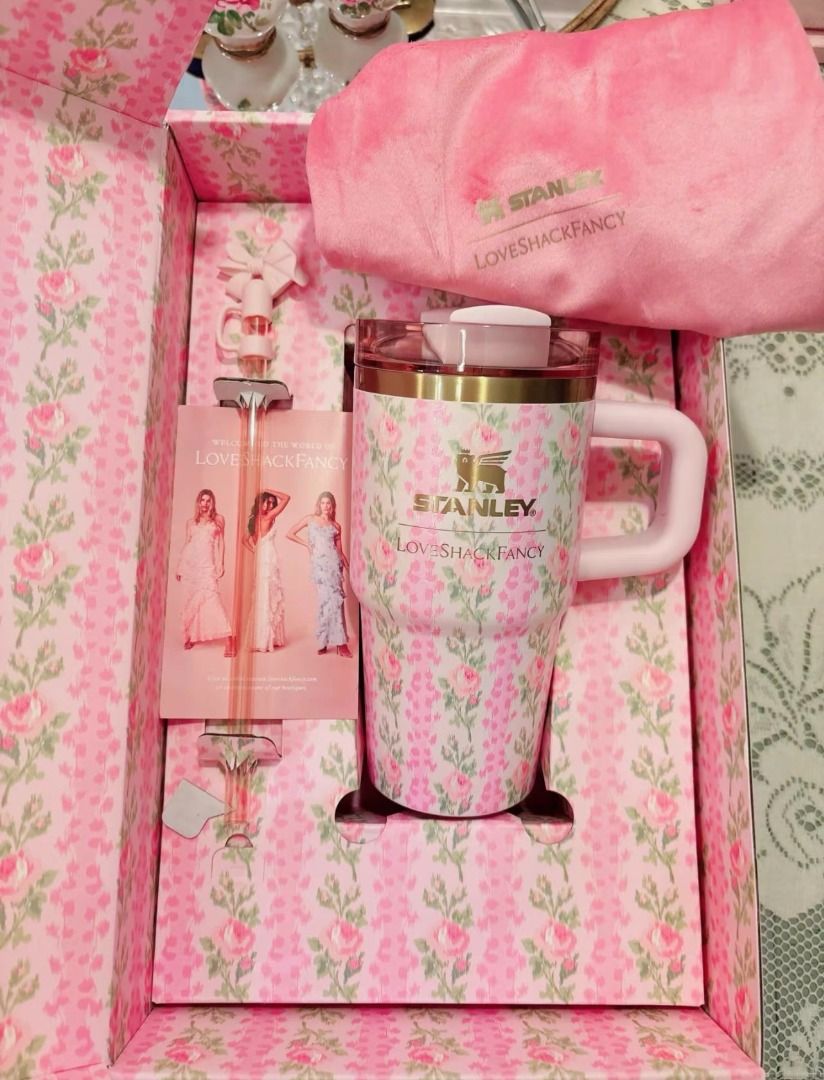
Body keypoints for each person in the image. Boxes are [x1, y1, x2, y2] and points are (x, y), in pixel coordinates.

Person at [287, 491, 351, 657]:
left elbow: (339, 551)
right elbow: (289, 533)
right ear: (319, 505)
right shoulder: (310, 519)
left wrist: (349, 568)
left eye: (328, 503)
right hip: (320, 567)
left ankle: (341, 644)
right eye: (323, 503)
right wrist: (307, 544)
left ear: (332, 506)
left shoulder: (336, 526)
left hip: (334, 566)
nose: (325, 506)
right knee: (324, 602)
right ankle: (324, 641)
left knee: (336, 602)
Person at [176, 489, 234, 656]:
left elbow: (221, 543)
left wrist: (221, 563)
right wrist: (179, 566)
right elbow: (187, 543)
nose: (205, 503)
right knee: (191, 601)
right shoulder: (190, 522)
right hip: (190, 567)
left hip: (207, 565)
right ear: (198, 502)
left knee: (212, 599)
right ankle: (191, 636)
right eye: (202, 500)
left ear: (212, 503)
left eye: (208, 500)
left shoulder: (218, 520)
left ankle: (229, 638)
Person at [243, 488, 290, 651]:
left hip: (263, 557)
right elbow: (286, 498)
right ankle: (263, 640)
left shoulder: (254, 520)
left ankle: (264, 638)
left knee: (264, 594)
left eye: (271, 503)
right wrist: (267, 490)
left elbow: (245, 540)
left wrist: (255, 550)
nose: (269, 505)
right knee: (265, 594)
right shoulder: (268, 517)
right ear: (260, 502)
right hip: (268, 557)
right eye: (266, 502)